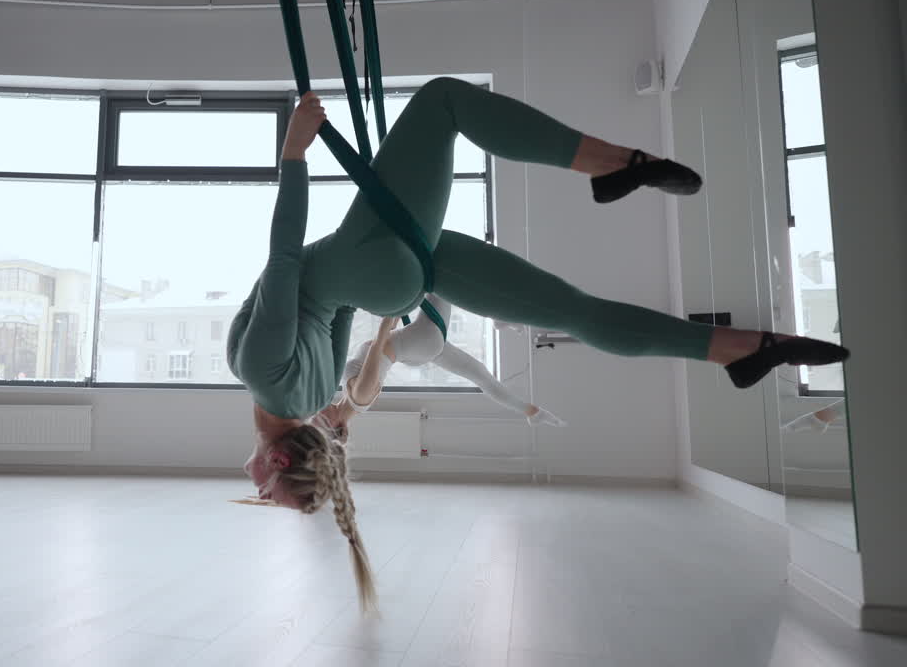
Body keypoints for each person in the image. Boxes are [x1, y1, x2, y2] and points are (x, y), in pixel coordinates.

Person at [230, 78, 849, 611]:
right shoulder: (261, 374)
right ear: (278, 462)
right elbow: (283, 262)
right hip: (364, 261)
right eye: (269, 493)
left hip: (383, 274)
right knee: (443, 100)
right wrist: (294, 153)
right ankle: (610, 164)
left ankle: (736, 350)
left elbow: (336, 312)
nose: (258, 491)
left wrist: (382, 280)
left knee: (575, 312)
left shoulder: (310, 398)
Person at [313, 295, 566, 448]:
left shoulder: (349, 396)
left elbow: (382, 344)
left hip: (415, 346)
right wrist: (395, 309)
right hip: (420, 340)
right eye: (320, 421)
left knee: (481, 376)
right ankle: (498, 315)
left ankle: (532, 412)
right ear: (338, 426)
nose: (317, 413)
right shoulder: (359, 397)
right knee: (445, 281)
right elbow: (379, 342)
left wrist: (399, 312)